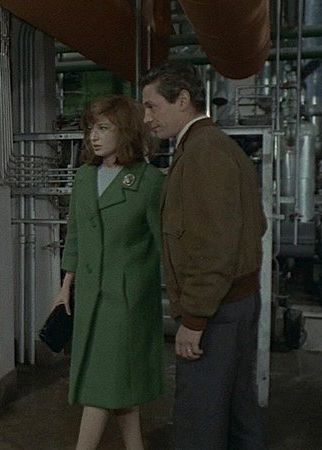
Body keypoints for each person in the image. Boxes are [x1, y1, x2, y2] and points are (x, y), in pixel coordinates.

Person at [140, 60, 267, 449]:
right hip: (234, 302)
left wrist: (194, 319)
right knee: (237, 410)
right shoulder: (211, 145)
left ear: (182, 100)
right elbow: (255, 225)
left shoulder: (203, 152)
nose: (146, 119)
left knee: (200, 419)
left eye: (152, 106)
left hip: (216, 310)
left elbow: (214, 245)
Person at [53, 94, 164, 450]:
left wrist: (179, 297)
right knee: (118, 386)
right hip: (90, 296)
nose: (93, 137)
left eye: (103, 128)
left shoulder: (148, 181)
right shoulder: (85, 177)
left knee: (99, 387)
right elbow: (75, 234)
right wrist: (66, 285)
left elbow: (165, 244)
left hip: (126, 302)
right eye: (91, 129)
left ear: (126, 130)